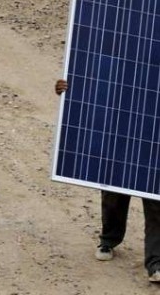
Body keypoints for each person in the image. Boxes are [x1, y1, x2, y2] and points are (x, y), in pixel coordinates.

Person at [55, 79, 160, 282]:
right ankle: (109, 239)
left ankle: (156, 262)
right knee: (113, 190)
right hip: (118, 127)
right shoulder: (117, 54)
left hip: (153, 132)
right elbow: (96, 78)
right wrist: (69, 88)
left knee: (156, 199)